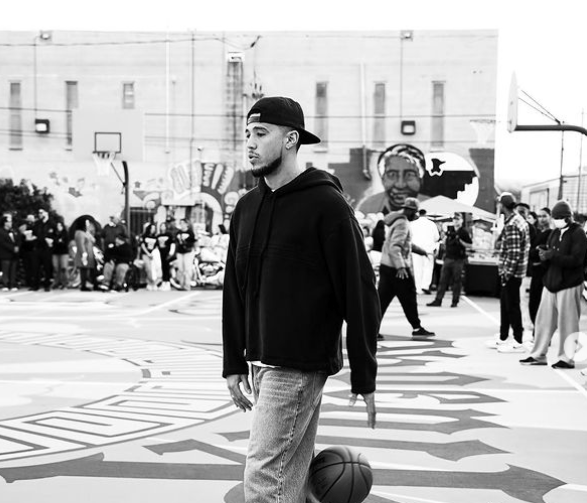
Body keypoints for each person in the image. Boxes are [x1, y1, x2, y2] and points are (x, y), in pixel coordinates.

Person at [222, 96, 380, 503]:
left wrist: (365, 373)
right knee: (289, 479)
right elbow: (234, 290)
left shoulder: (326, 205)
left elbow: (359, 290)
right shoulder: (246, 208)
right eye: (247, 134)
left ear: (291, 139)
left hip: (298, 364)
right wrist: (233, 362)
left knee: (263, 478)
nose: (250, 143)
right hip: (260, 363)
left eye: (261, 134)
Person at [520, 200, 587, 368]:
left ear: (568, 217)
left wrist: (551, 255)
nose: (556, 220)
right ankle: (538, 354)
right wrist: (543, 254)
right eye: (555, 217)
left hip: (570, 283)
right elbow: (551, 253)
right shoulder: (555, 233)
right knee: (543, 321)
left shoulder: (578, 233)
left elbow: (577, 260)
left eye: (559, 217)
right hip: (551, 282)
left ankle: (567, 358)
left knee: (568, 323)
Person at [378, 196, 435, 339]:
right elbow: (395, 247)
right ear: (409, 211)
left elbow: (404, 244)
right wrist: (401, 267)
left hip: (387, 266)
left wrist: (421, 251)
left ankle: (371, 329)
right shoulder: (403, 224)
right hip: (398, 269)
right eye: (415, 212)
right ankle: (417, 327)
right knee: (409, 299)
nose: (416, 215)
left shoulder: (396, 221)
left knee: (381, 301)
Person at [488, 192, 530, 353]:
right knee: (506, 305)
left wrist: (507, 273)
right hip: (516, 271)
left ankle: (518, 340)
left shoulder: (512, 224)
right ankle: (504, 336)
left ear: (501, 205)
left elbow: (513, 253)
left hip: (512, 272)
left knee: (511, 306)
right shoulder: (517, 220)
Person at [358, 143, 427, 215]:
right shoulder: (366, 208)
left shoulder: (431, 205)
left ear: (420, 179)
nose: (400, 185)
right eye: (392, 175)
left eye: (409, 175)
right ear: (383, 179)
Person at [427, 212, 472, 307]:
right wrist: (445, 237)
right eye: (454, 219)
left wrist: (460, 241)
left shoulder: (463, 232)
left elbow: (469, 245)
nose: (456, 221)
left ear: (461, 220)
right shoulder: (450, 230)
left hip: (458, 259)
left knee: (457, 281)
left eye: (458, 219)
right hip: (448, 258)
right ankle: (438, 300)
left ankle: (455, 301)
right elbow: (443, 242)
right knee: (443, 280)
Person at [527, 207, 553, 330]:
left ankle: (541, 331)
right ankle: (537, 328)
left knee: (541, 303)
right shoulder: (538, 233)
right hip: (535, 272)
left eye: (544, 216)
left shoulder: (552, 234)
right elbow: (532, 252)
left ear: (550, 217)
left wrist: (537, 251)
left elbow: (544, 251)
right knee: (533, 302)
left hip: (544, 273)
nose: (541, 219)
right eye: (539, 216)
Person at [411, 208, 440, 294]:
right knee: (428, 268)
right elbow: (437, 237)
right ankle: (425, 286)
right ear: (426, 214)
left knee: (417, 269)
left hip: (416, 249)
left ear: (418, 214)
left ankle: (417, 287)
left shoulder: (412, 224)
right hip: (428, 249)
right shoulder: (432, 224)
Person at [32, 208, 56, 291]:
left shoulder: (52, 224)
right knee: (36, 267)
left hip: (47, 249)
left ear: (46, 213)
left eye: (41, 212)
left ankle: (47, 285)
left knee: (47, 267)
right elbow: (34, 234)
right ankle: (35, 285)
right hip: (38, 247)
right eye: (39, 213)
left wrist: (52, 240)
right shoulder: (37, 224)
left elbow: (55, 236)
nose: (40, 214)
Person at [74, 218, 98, 291]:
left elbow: (93, 240)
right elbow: (81, 244)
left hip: (89, 254)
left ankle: (93, 284)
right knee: (83, 270)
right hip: (84, 254)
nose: (88, 225)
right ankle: (83, 286)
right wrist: (84, 254)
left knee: (90, 270)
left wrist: (89, 233)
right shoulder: (79, 233)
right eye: (86, 223)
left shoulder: (86, 233)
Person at [174, 218, 196, 290]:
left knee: (187, 269)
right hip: (180, 251)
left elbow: (193, 241)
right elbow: (176, 242)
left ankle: (187, 285)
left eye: (183, 223)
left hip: (188, 252)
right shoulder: (178, 232)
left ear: (187, 224)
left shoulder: (190, 232)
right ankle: (181, 284)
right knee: (180, 269)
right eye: (181, 223)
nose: (182, 225)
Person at [0, 216, 20, 291]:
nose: (10, 223)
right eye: (8, 222)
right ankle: (5, 284)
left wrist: (17, 246)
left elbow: (19, 239)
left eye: (11, 222)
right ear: (4, 223)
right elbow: (2, 242)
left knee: (13, 270)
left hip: (14, 254)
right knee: (5, 270)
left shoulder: (14, 230)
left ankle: (12, 284)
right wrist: (12, 248)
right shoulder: (1, 231)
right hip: (5, 253)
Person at [140, 222, 159, 291]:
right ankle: (149, 282)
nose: (153, 230)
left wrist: (154, 254)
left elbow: (156, 246)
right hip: (146, 254)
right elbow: (142, 245)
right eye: (152, 228)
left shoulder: (155, 237)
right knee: (148, 268)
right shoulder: (144, 236)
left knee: (153, 269)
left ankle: (154, 283)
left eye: (154, 228)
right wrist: (148, 253)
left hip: (153, 254)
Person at [156, 222, 175, 291]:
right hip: (160, 253)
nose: (162, 227)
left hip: (167, 253)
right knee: (162, 268)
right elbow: (156, 245)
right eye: (161, 226)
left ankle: (168, 283)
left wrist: (171, 253)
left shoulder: (169, 235)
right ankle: (163, 282)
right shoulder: (158, 235)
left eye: (164, 226)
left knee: (167, 268)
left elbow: (172, 244)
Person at [51, 220, 70, 289]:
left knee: (63, 268)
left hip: (64, 253)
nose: (58, 227)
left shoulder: (65, 233)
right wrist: (58, 241)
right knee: (56, 268)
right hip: (55, 252)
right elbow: (53, 242)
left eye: (60, 226)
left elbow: (65, 243)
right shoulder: (54, 233)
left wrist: (58, 241)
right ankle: (56, 282)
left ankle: (65, 283)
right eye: (57, 226)